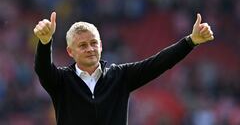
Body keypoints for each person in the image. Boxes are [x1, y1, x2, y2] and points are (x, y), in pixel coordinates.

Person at [33, 12, 214, 125]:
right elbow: (43, 69)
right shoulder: (61, 81)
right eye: (82, 45)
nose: (90, 48)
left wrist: (191, 41)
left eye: (94, 43)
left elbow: (158, 63)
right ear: (70, 51)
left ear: (101, 45)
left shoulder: (120, 76)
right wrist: (45, 41)